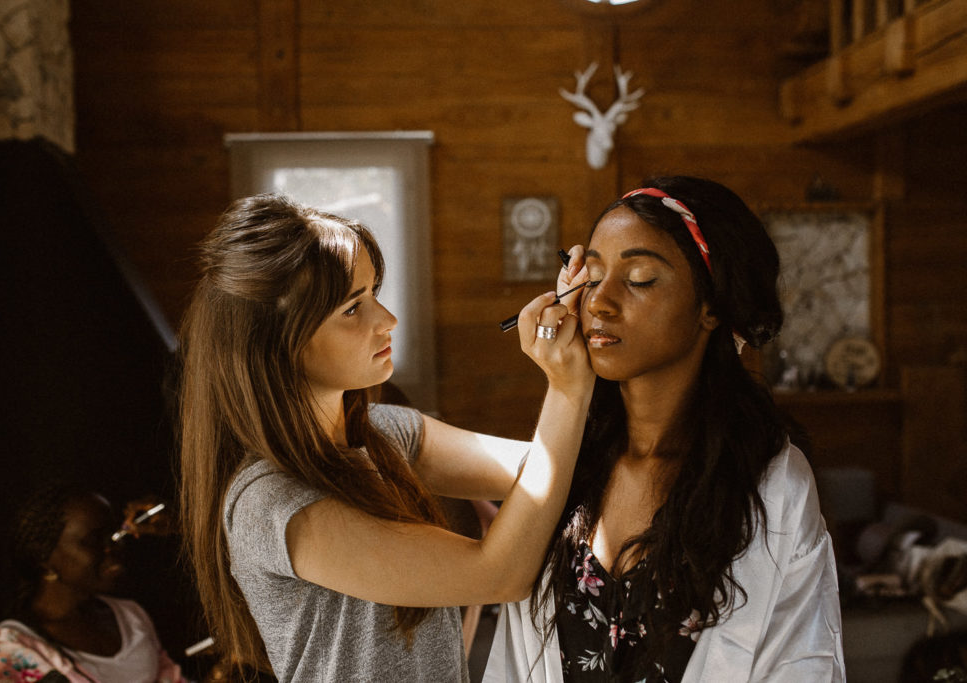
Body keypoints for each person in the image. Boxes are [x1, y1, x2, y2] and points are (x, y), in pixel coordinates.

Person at [176, 194, 594, 681]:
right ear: (278, 342)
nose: (387, 320)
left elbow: (558, 468)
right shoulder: (273, 503)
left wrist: (588, 336)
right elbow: (499, 574)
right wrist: (566, 388)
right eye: (354, 309)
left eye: (374, 293)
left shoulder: (385, 434)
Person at [484, 176, 845, 682]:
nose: (599, 303)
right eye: (590, 277)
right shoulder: (568, 464)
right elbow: (513, 663)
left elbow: (802, 665)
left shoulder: (772, 484)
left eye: (640, 279)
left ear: (712, 307)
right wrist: (565, 386)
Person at [0, 483, 186, 683]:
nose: (114, 546)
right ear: (45, 563)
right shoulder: (10, 652)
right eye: (93, 540)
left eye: (114, 534)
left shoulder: (131, 616)